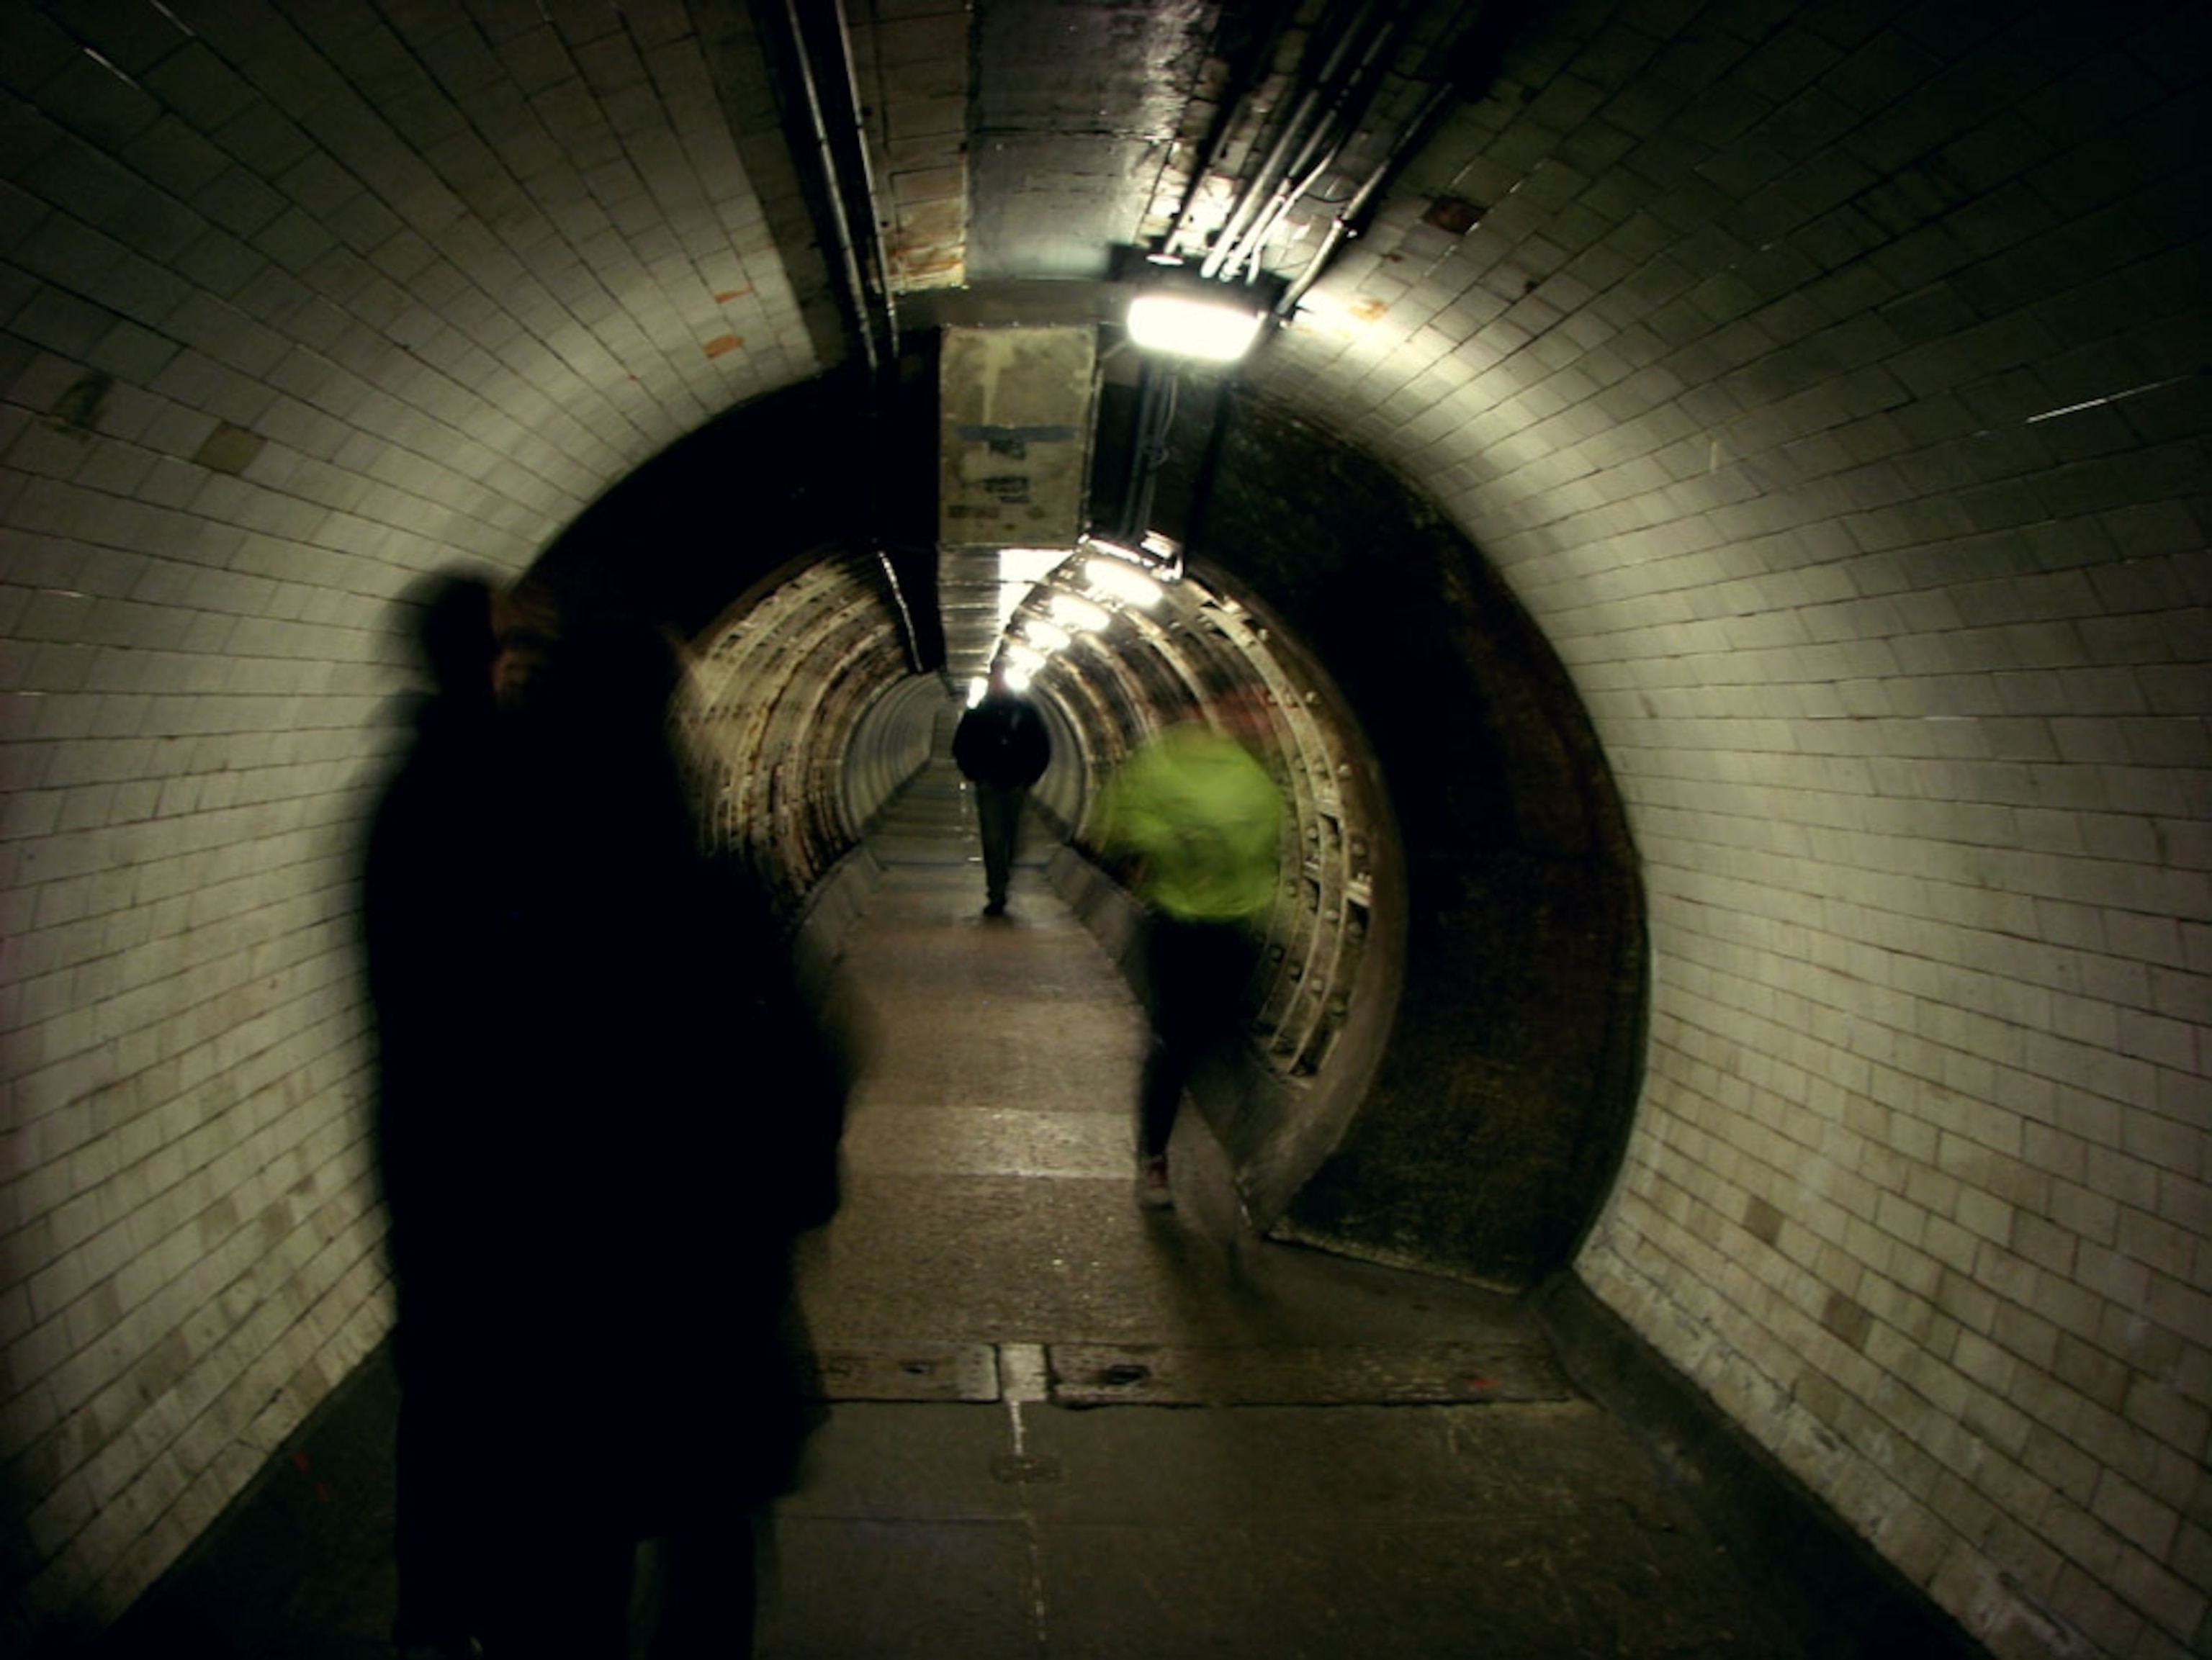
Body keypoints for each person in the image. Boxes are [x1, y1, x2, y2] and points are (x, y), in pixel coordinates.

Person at [365, 587, 845, 1659]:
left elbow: (443, 1089)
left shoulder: (493, 900)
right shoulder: (714, 894)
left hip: (545, 1320)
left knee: (562, 1573)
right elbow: (808, 1097)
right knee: (707, 1555)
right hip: (699, 1307)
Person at [1092, 688, 1285, 1208]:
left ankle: (1160, 1157)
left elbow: (1117, 824)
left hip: (1216, 924)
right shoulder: (1204, 770)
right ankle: (1157, 1156)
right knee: (1179, 1041)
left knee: (1188, 1041)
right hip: (1188, 925)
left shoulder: (1234, 770)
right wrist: (1183, 848)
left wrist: (1166, 850)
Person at [951, 674, 1051, 916]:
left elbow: (1041, 746)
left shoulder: (1025, 712)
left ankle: (1003, 876)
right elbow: (960, 746)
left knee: (1012, 838)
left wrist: (1029, 777)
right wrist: (975, 774)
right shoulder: (978, 714)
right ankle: (996, 893)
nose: (998, 685)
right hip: (990, 786)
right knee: (993, 839)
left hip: (1016, 784)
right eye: (994, 680)